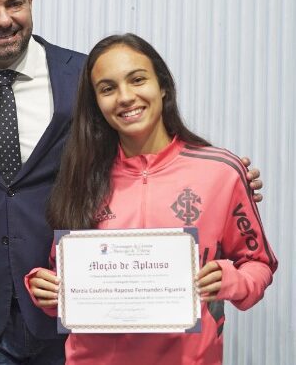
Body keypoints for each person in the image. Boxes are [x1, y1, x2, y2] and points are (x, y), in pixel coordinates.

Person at [0, 0, 264, 364]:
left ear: (30, 1)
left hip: (79, 314)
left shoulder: (88, 77)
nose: (3, 19)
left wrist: (224, 178)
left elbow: (147, 148)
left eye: (13, 3)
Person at [26, 33, 278, 365]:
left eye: (137, 80)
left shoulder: (221, 171)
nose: (125, 97)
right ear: (96, 104)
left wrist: (232, 280)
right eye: (107, 88)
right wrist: (47, 290)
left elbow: (258, 264)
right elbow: (64, 278)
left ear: (162, 86)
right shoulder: (80, 176)